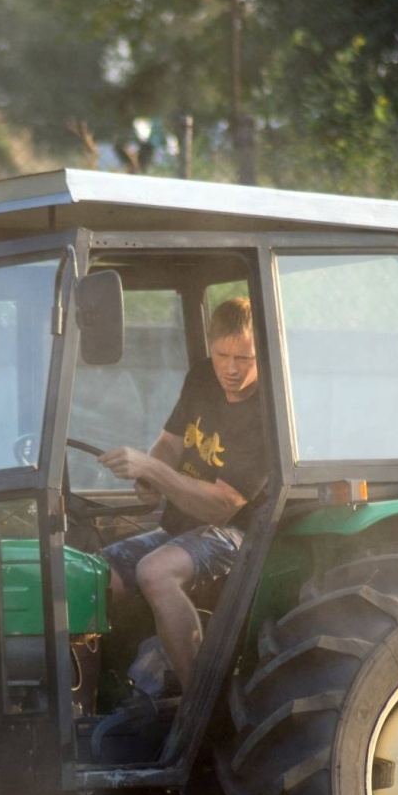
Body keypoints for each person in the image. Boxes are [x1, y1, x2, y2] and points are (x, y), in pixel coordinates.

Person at [97, 297, 268, 692]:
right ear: (211, 346)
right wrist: (149, 480)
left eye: (245, 358)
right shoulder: (202, 377)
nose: (231, 368)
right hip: (178, 526)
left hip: (237, 535)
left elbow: (222, 506)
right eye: (223, 354)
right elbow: (170, 444)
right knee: (92, 577)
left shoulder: (268, 409)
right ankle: (89, 699)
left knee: (155, 572)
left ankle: (201, 708)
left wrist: (152, 469)